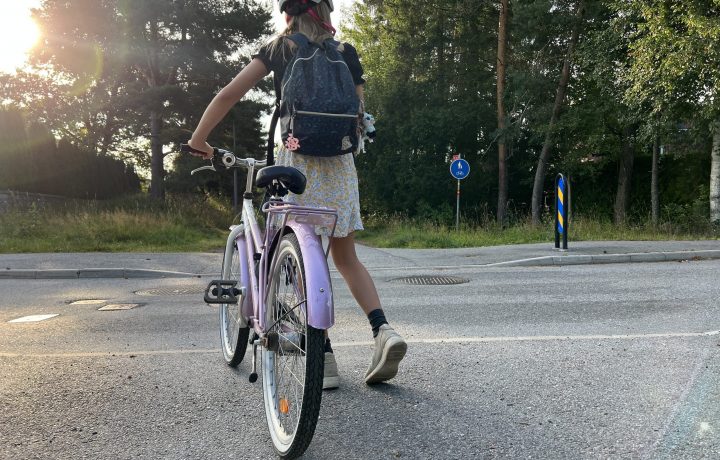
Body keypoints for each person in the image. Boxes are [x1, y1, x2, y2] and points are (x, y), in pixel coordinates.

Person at [187, 0, 406, 389]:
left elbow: (228, 94)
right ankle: (383, 330)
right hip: (341, 167)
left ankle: (323, 356)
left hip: (297, 164)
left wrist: (199, 139)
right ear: (326, 11)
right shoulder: (345, 52)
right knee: (346, 258)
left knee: (298, 260)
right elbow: (359, 115)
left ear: (288, 14)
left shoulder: (281, 47)